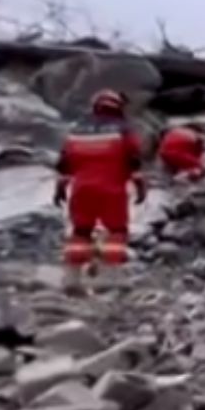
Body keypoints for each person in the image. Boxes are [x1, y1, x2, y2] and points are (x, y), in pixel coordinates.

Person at [54, 89, 146, 288]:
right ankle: (110, 277)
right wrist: (140, 186)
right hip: (111, 190)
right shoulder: (123, 128)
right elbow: (134, 159)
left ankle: (72, 278)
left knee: (80, 231)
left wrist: (60, 187)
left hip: (81, 190)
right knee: (116, 230)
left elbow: (64, 163)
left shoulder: (77, 129)